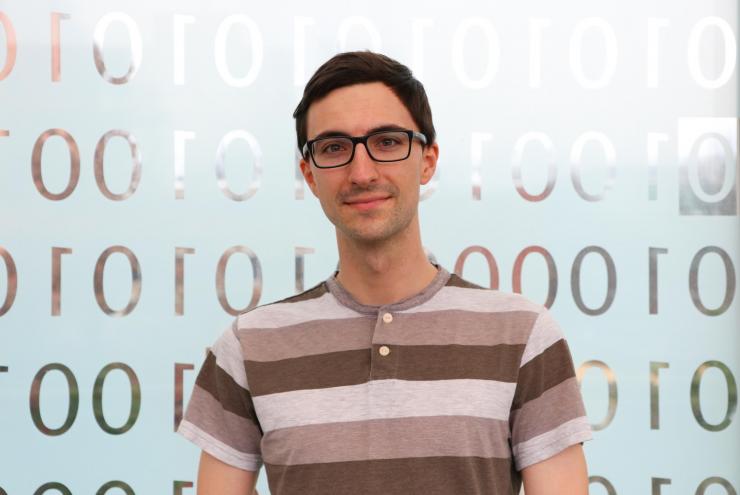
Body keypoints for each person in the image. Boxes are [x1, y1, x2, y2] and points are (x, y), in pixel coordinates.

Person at [177, 50, 593, 495]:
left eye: (387, 142)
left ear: (428, 160)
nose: (362, 172)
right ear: (310, 175)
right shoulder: (247, 347)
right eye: (334, 148)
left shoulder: (524, 336)